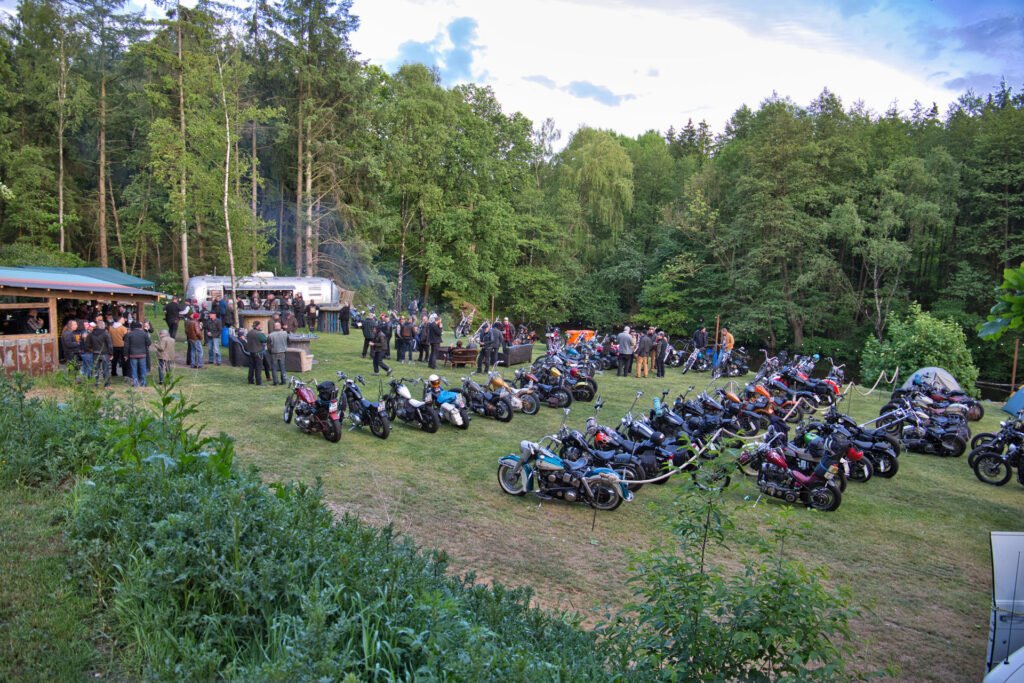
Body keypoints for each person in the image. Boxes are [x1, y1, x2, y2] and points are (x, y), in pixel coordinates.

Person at [87, 320, 113, 388]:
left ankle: (95, 384)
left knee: (96, 370)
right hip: (105, 354)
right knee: (106, 370)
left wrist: (92, 350)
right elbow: (110, 345)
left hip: (95, 353)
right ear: (103, 326)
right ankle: (106, 385)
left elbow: (87, 345)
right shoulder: (106, 334)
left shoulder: (91, 334)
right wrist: (111, 354)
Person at [124, 321, 151, 387]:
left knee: (134, 369)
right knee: (143, 369)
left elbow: (126, 346)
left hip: (132, 354)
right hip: (142, 354)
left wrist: (125, 355)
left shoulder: (129, 334)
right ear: (140, 327)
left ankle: (135, 383)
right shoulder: (144, 333)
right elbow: (149, 343)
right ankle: (143, 383)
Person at [267, 321, 289, 386]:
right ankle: (284, 381)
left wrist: (270, 351)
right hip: (282, 352)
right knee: (282, 367)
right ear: (280, 326)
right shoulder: (285, 333)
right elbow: (288, 341)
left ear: (274, 327)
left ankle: (275, 382)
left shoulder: (270, 335)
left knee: (274, 368)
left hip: (274, 352)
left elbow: (268, 345)